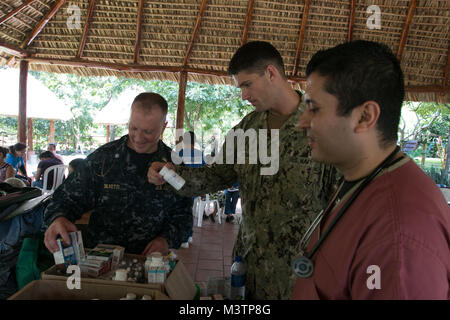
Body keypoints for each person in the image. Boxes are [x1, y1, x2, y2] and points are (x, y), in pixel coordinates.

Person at [148, 41, 339, 299]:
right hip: (249, 267)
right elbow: (213, 177)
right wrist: (169, 175)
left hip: (299, 275)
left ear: (271, 73)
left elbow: (341, 209)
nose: (243, 96)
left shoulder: (321, 127)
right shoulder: (247, 129)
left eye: (247, 85)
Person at [291, 40, 450, 300]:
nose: (301, 123)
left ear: (365, 116)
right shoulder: (363, 179)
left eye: (314, 108)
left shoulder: (399, 235)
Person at [43, 92, 193, 256]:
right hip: (101, 261)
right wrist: (59, 218)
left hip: (150, 264)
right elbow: (65, 198)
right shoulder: (103, 158)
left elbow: (183, 218)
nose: (138, 137)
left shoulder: (174, 166)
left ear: (163, 127)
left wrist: (166, 240)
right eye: (133, 128)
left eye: (148, 132)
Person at [177, 131, 206, 248]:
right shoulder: (200, 154)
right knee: (189, 211)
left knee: (181, 212)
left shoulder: (179, 153)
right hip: (194, 188)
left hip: (181, 187)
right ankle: (188, 235)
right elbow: (204, 173)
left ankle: (184, 238)